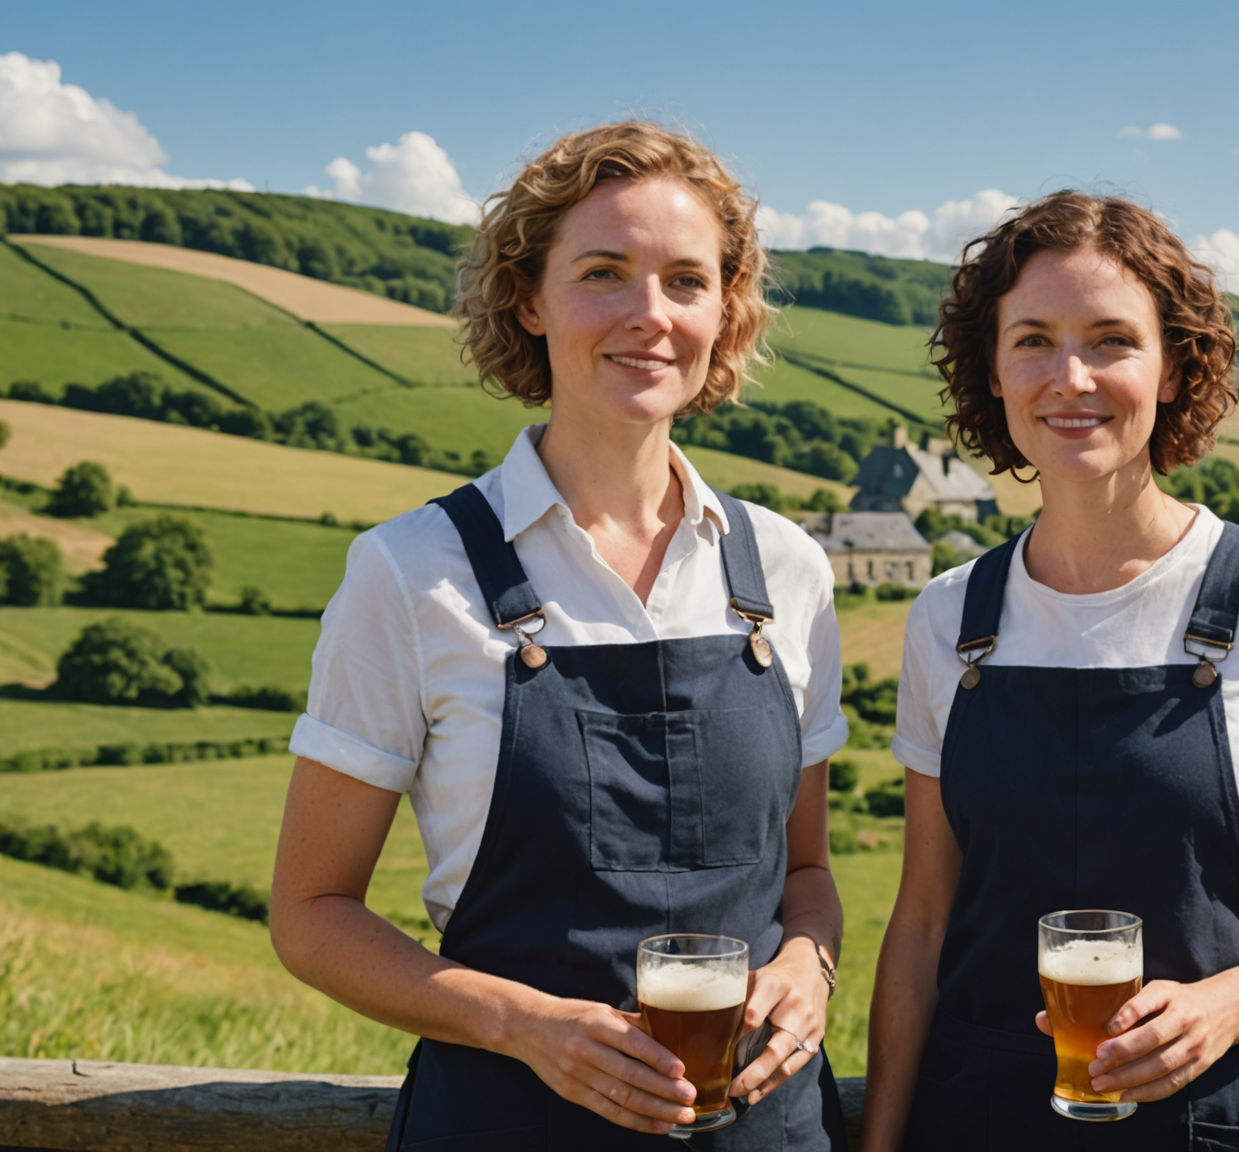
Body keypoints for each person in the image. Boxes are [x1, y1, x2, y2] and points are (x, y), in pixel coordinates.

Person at [269, 121, 848, 1150]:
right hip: (504, 1123)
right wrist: (526, 1025)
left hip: (766, 1130)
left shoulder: (785, 573)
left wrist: (813, 959)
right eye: (604, 273)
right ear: (528, 299)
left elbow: (805, 875)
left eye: (686, 280)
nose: (649, 315)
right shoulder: (411, 574)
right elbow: (312, 913)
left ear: (727, 310)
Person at [861, 192, 1239, 1151]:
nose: (1069, 376)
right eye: (1033, 339)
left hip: (1218, 1117)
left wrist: (1230, 1006)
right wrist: (877, 1142)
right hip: (978, 1118)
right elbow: (920, 923)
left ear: (1172, 370)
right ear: (992, 373)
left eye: (1113, 340)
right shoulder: (952, 619)